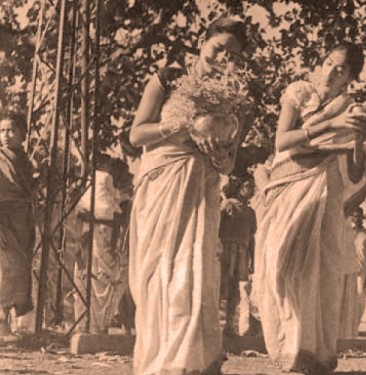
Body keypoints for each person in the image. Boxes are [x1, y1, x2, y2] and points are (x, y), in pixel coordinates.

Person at [128, 17, 246, 374]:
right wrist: (182, 125)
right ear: (202, 41)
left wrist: (220, 154)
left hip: (201, 189)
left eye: (233, 55)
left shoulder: (231, 97)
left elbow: (229, 165)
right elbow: (136, 135)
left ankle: (188, 362)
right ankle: (159, 361)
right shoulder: (168, 79)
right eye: (219, 47)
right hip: (161, 186)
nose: (224, 58)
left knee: (192, 274)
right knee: (157, 276)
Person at [251, 42, 366, 373]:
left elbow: (358, 171)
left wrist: (359, 140)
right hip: (287, 185)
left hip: (323, 189)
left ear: (351, 77)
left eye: (342, 69)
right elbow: (282, 141)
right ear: (321, 62)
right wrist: (331, 126)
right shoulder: (300, 92)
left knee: (314, 270)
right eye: (330, 63)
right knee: (278, 263)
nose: (333, 71)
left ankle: (306, 351)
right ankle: (285, 341)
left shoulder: (352, 108)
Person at [74, 154, 128, 334]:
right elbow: (112, 206)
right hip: (102, 227)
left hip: (92, 228)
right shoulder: (105, 178)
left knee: (91, 272)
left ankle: (89, 323)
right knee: (101, 274)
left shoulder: (89, 183)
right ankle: (98, 323)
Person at [0, 113, 35, 342]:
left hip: (22, 221)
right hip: (4, 219)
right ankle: (2, 324)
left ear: (23, 134)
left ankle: (12, 324)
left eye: (11, 130)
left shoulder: (24, 160)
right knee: (4, 270)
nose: (5, 136)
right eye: (2, 131)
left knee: (20, 270)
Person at [219, 176, 256, 336]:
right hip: (226, 249)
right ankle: (215, 325)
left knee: (235, 288)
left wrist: (252, 258)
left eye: (253, 187)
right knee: (221, 286)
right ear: (239, 187)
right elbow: (217, 227)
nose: (252, 191)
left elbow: (251, 237)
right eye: (249, 186)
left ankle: (229, 325)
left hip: (242, 251)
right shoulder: (227, 205)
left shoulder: (250, 212)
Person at [339, 207, 366, 339]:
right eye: (355, 216)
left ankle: (353, 331)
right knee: (344, 301)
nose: (357, 218)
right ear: (352, 218)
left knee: (359, 302)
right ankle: (342, 334)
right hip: (346, 271)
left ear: (363, 217)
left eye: (360, 216)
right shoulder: (345, 233)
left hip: (361, 272)